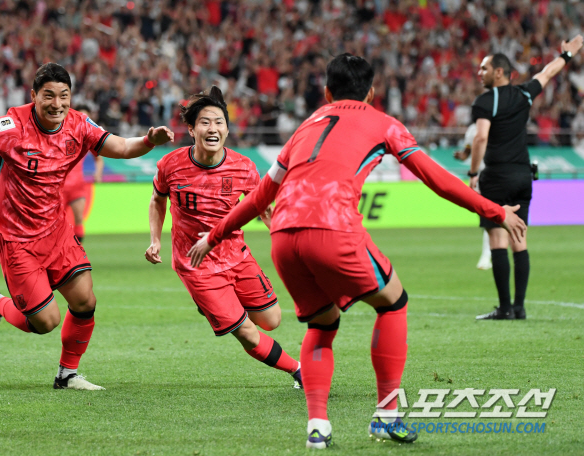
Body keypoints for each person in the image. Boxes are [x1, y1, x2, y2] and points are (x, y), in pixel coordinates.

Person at [187, 54, 526, 449]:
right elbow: (436, 178)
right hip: (333, 226)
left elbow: (263, 193)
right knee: (393, 302)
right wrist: (494, 209)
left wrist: (213, 235)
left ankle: (318, 426)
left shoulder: (306, 126)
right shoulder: (384, 123)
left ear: (327, 91)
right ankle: (386, 415)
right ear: (371, 92)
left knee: (322, 325)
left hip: (283, 236)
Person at [0, 63, 174, 390]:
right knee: (45, 321)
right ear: (34, 95)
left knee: (85, 300)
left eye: (64, 96)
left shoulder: (79, 124)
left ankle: (67, 375)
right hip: (15, 237)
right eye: (48, 96)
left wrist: (149, 140)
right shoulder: (13, 125)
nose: (57, 104)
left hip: (55, 230)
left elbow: (121, 147)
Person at [145, 86, 302, 389]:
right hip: (196, 265)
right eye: (204, 122)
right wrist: (155, 240)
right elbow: (157, 199)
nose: (212, 128)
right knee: (245, 332)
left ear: (228, 130)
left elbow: (262, 210)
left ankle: (214, 305)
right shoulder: (170, 165)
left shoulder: (244, 168)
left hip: (237, 256)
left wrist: (287, 239)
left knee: (271, 320)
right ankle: (299, 371)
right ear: (191, 129)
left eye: (218, 122)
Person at [469, 36, 583, 320]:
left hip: (496, 176)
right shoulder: (524, 94)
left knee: (498, 240)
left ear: (499, 72)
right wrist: (567, 56)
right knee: (520, 239)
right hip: (523, 174)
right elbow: (547, 73)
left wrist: (473, 173)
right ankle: (519, 307)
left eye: (484, 68)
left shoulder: (486, 101)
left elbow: (481, 137)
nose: (479, 73)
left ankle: (505, 308)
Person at [63, 105, 105, 243]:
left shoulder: (88, 138)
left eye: (86, 118)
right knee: (55, 224)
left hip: (77, 186)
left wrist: (98, 173)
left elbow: (99, 159)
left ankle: (77, 254)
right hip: (59, 188)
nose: (83, 120)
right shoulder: (61, 134)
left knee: (79, 221)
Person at [453, 123, 491, 270]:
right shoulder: (472, 130)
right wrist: (460, 156)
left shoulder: (496, 124)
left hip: (495, 174)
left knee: (489, 216)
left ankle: (487, 255)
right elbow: (466, 153)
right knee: (484, 215)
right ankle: (491, 250)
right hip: (479, 176)